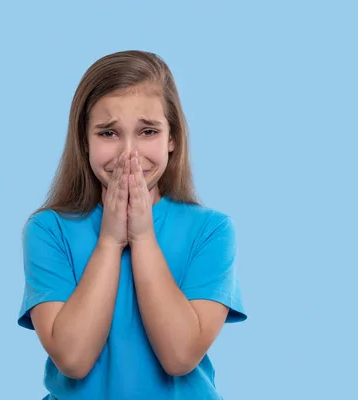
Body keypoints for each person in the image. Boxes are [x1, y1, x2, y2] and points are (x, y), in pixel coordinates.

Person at [17, 50, 247, 400]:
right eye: (108, 133)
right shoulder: (48, 230)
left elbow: (180, 355)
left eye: (148, 131)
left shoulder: (211, 230)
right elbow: (73, 359)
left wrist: (142, 236)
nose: (129, 153)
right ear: (84, 141)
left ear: (172, 139)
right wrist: (109, 240)